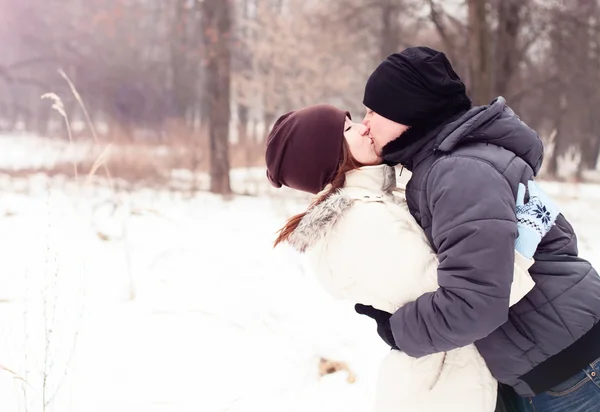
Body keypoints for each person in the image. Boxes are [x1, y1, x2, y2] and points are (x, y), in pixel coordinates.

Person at [264, 104, 559, 411]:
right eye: (348, 129)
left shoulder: (375, 199)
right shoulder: (358, 224)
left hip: (459, 376)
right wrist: (521, 250)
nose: (364, 127)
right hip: (442, 390)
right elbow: (465, 298)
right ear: (328, 155)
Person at [355, 46, 600, 412]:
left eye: (374, 110)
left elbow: (475, 302)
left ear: (408, 109)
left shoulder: (459, 172)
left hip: (573, 371)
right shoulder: (452, 164)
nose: (365, 123)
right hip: (558, 363)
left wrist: (399, 329)